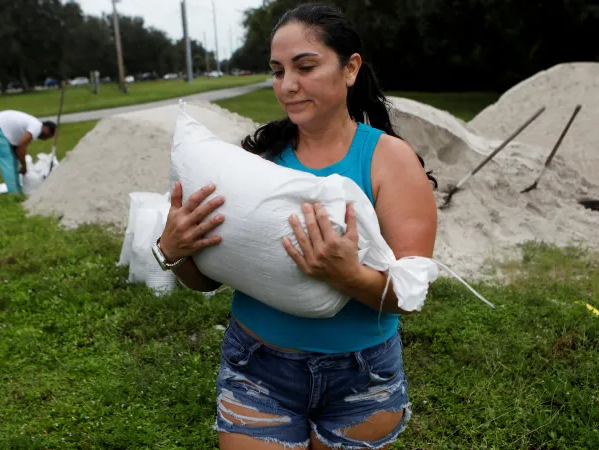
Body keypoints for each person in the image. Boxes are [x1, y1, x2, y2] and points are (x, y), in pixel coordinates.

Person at [157, 3, 437, 449]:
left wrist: (348, 277)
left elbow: (409, 299)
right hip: (257, 367)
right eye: (276, 71)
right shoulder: (257, 162)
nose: (287, 86)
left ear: (350, 69)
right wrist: (172, 251)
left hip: (361, 378)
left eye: (305, 67)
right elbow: (207, 280)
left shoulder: (390, 161)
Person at [0, 110, 56, 194]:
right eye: (49, 136)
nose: (46, 139)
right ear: (46, 129)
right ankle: (14, 194)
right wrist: (24, 166)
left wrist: (20, 162)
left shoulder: (35, 126)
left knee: (13, 161)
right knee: (8, 161)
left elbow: (17, 147)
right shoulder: (36, 128)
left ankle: (17, 190)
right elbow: (21, 146)